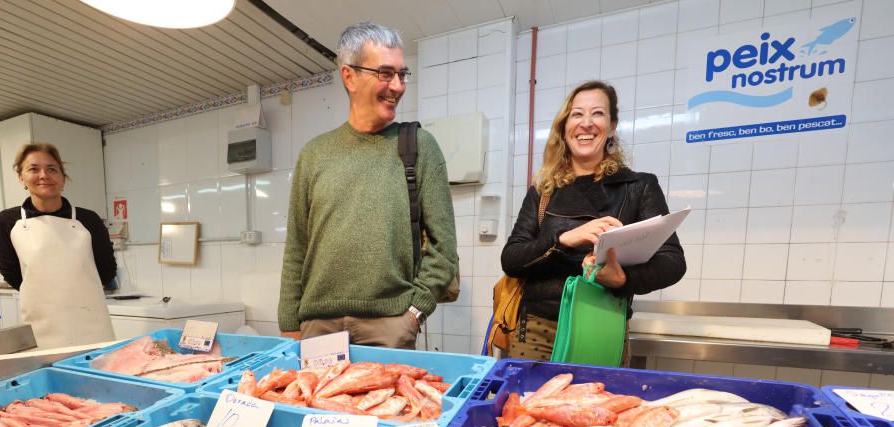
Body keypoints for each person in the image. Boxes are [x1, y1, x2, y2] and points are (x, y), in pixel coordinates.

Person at [277, 22, 458, 349]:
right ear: (349, 76)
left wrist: (413, 314)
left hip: (390, 325)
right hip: (318, 328)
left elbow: (444, 249)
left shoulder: (419, 145)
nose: (398, 86)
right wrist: (290, 323)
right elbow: (296, 249)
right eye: (386, 74)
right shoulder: (314, 154)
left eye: (402, 74)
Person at [500, 80, 686, 361]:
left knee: (597, 406)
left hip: (603, 324)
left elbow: (673, 262)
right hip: (538, 330)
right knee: (529, 405)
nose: (586, 123)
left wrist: (623, 279)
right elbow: (511, 259)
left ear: (611, 126)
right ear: (564, 127)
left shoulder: (639, 187)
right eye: (576, 114)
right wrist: (563, 239)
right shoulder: (543, 191)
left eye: (597, 114)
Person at [0, 143, 117, 348]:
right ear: (21, 178)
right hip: (41, 326)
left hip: (90, 325)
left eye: (52, 169)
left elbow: (107, 270)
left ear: (62, 178)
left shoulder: (89, 219)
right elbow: (11, 273)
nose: (44, 175)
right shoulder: (7, 221)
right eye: (33, 169)